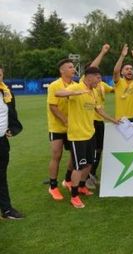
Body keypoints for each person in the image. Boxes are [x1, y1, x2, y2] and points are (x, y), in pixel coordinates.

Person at [55, 66, 119, 208]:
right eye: (98, 78)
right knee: (79, 166)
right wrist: (76, 92)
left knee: (89, 163)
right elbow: (58, 93)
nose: (99, 81)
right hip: (77, 135)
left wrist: (113, 120)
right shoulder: (76, 87)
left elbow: (99, 110)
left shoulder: (93, 92)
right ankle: (74, 196)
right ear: (89, 76)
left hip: (90, 133)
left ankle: (82, 186)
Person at [84, 44, 114, 189]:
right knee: (91, 150)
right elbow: (93, 67)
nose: (97, 76)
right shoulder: (84, 84)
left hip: (100, 121)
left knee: (99, 149)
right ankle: (84, 177)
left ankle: (91, 174)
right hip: (91, 121)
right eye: (94, 73)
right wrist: (102, 52)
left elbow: (115, 89)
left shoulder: (101, 84)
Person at [47, 59, 76, 200]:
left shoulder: (75, 86)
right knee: (56, 155)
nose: (73, 69)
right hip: (57, 127)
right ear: (62, 70)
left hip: (73, 128)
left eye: (73, 67)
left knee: (74, 155)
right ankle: (53, 186)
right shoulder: (54, 85)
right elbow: (53, 106)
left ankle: (68, 180)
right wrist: (65, 120)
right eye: (70, 67)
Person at [0, 65, 24, 219]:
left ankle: (6, 210)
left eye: (0, 74)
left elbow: (11, 113)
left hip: (2, 141)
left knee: (1, 176)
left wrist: (12, 129)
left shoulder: (6, 92)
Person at [113, 44, 133, 121]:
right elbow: (116, 71)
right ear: (122, 72)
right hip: (121, 118)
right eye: (126, 69)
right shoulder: (119, 81)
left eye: (131, 69)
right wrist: (122, 56)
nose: (129, 70)